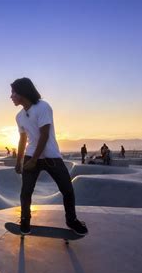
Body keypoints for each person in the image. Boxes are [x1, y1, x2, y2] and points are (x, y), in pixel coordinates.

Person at [11, 77, 88, 236]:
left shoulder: (43, 107)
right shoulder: (19, 117)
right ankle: (25, 221)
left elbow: (44, 135)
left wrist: (33, 161)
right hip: (31, 154)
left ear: (22, 93)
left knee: (67, 189)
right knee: (26, 191)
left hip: (51, 156)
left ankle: (71, 220)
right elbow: (23, 139)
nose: (11, 96)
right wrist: (19, 160)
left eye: (13, 92)